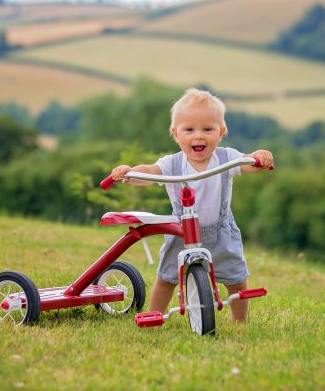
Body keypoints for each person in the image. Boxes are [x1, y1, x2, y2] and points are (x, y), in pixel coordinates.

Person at [110, 88, 273, 322]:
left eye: (208, 129)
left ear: (221, 132)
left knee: (236, 278)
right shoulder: (172, 164)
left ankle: (240, 321)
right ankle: (153, 316)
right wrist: (130, 172)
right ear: (176, 134)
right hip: (181, 232)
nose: (199, 136)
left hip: (220, 232)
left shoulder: (226, 158)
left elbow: (249, 163)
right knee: (167, 278)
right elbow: (150, 173)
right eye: (189, 130)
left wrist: (259, 158)